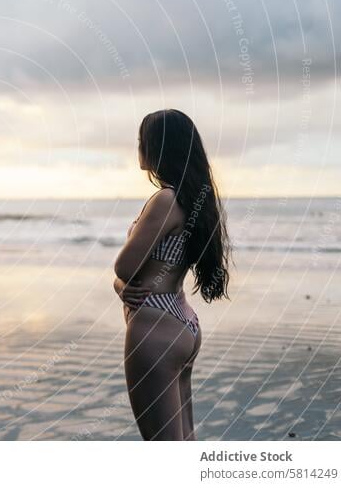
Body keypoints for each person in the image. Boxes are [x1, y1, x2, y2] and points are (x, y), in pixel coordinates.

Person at [113, 109, 231, 440]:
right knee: (184, 439)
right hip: (181, 321)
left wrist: (119, 281)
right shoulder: (192, 197)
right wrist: (120, 284)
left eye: (143, 140)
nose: (138, 147)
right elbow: (134, 274)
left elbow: (125, 267)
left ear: (159, 147)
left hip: (154, 327)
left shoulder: (164, 199)